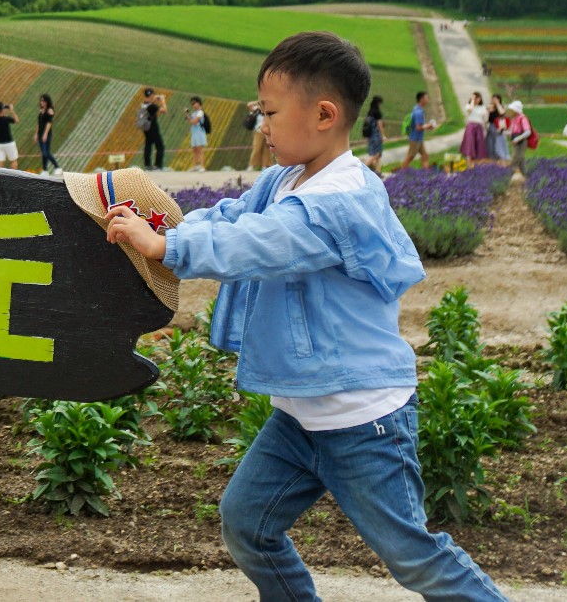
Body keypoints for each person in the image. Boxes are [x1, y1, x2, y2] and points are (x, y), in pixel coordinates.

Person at [106, 32, 508, 602]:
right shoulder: (285, 179)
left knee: (412, 558)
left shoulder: (338, 202)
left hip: (361, 418)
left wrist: (167, 250)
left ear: (324, 114)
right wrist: (168, 227)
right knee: (248, 523)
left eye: (269, 113)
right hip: (301, 416)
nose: (262, 126)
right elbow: (230, 215)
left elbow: (259, 240)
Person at [399, 91, 434, 169]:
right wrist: (428, 126)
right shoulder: (419, 112)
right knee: (410, 157)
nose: (428, 99)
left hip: (418, 138)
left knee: (425, 155)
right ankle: (401, 173)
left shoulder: (416, 109)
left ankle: (426, 173)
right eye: (426, 98)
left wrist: (427, 126)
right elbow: (418, 127)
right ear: (421, 99)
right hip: (415, 139)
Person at [139, 87, 167, 170]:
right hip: (153, 128)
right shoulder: (152, 106)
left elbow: (151, 103)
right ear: (151, 95)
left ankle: (147, 164)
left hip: (146, 128)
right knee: (160, 146)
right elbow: (164, 110)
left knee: (148, 145)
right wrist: (162, 100)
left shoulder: (143, 104)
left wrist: (156, 98)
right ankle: (158, 165)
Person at [504, 99, 535, 176]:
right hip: (515, 141)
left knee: (517, 156)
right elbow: (512, 130)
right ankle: (525, 174)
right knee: (520, 159)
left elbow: (528, 132)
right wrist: (503, 132)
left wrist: (518, 138)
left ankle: (510, 172)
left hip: (521, 141)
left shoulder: (523, 118)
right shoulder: (514, 119)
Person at [458, 91, 489, 164]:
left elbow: (485, 118)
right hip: (471, 125)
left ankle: (478, 161)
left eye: (478, 98)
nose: (476, 99)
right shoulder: (468, 106)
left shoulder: (482, 107)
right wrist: (472, 100)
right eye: (475, 98)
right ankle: (469, 160)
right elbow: (470, 110)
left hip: (479, 126)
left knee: (479, 142)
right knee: (470, 142)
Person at [361, 94, 386, 177]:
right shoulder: (377, 112)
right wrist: (383, 135)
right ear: (378, 103)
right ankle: (361, 169)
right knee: (377, 154)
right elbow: (380, 125)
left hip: (370, 136)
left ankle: (378, 173)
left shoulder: (370, 112)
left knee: (376, 156)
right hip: (376, 136)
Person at [0, 100, 20, 169]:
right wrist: (11, 110)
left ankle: (0, 178)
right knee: (13, 161)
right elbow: (17, 120)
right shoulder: (6, 119)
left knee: (0, 162)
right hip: (9, 143)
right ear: (3, 109)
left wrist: (0, 108)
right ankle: (14, 177)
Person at [34, 93, 58, 175]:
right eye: (41, 101)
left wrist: (45, 134)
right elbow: (39, 123)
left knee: (46, 152)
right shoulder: (41, 111)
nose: (42, 102)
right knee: (43, 153)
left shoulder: (49, 111)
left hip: (46, 134)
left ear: (47, 102)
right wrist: (36, 134)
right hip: (40, 134)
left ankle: (57, 167)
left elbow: (49, 123)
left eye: (44, 101)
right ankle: (45, 170)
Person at [186, 96, 210, 169]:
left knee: (200, 150)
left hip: (199, 132)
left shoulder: (200, 112)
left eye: (194, 103)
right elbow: (191, 120)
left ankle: (202, 166)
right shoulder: (195, 112)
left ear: (198, 103)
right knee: (195, 150)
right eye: (192, 104)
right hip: (194, 132)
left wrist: (189, 119)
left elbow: (194, 122)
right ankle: (194, 166)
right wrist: (187, 114)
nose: (193, 105)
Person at [484, 94, 509, 163]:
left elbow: (502, 113)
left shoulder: (501, 107)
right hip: (491, 127)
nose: (493, 101)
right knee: (490, 144)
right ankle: (492, 160)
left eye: (495, 99)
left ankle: (503, 158)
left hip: (498, 127)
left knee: (499, 144)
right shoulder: (490, 108)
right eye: (492, 99)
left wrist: (497, 104)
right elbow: (486, 119)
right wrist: (488, 111)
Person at [247, 106, 272, 173]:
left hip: (268, 131)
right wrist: (258, 102)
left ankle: (265, 166)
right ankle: (252, 165)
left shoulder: (270, 110)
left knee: (267, 149)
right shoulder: (257, 110)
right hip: (258, 131)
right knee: (257, 147)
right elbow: (249, 105)